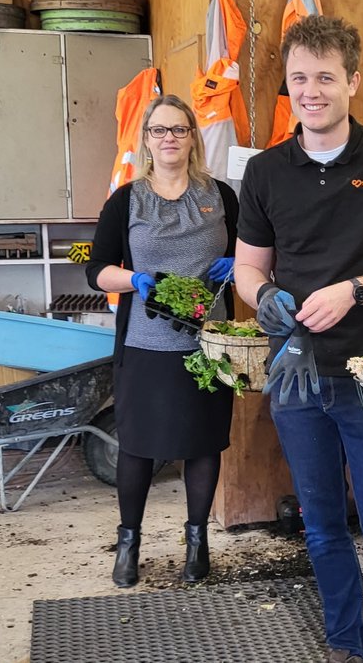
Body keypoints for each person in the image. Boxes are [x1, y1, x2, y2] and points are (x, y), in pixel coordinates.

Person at [233, 15, 363, 663]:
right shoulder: (267, 171)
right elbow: (247, 267)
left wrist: (354, 290)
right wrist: (265, 297)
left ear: (352, 80)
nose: (312, 90)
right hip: (298, 377)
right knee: (322, 528)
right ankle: (345, 644)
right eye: (300, 79)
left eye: (325, 77)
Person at [86, 94, 238, 588]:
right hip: (145, 345)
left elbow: (253, 255)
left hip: (209, 346)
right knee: (138, 446)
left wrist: (240, 266)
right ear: (146, 139)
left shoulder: (221, 196)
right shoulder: (127, 199)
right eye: (159, 130)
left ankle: (197, 543)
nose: (169, 138)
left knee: (203, 444)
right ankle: (128, 542)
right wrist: (136, 281)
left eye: (178, 129)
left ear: (193, 136)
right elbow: (97, 271)